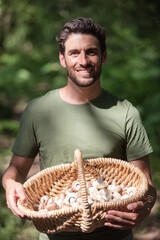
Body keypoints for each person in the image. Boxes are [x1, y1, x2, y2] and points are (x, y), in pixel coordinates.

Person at [2, 17, 156, 240]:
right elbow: (15, 168)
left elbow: (146, 182)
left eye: (91, 52)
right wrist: (11, 185)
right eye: (74, 53)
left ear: (103, 56)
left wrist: (145, 208)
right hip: (55, 235)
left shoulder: (125, 113)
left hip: (114, 236)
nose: (83, 60)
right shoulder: (38, 111)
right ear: (62, 59)